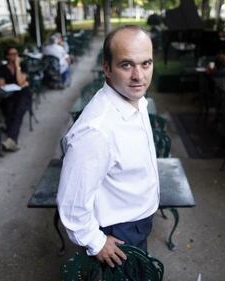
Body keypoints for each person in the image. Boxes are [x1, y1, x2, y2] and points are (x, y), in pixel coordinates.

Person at [57, 25, 159, 268]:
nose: (139, 76)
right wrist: (96, 241)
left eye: (146, 64)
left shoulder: (135, 99)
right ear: (107, 68)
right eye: (126, 65)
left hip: (136, 220)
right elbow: (71, 202)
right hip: (121, 231)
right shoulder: (96, 131)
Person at [0, 46, 32, 151]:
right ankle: (11, 138)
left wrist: (17, 66)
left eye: (16, 54)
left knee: (18, 110)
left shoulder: (23, 66)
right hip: (9, 95)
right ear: (7, 56)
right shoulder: (2, 69)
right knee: (8, 107)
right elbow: (1, 84)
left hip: (23, 94)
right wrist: (21, 84)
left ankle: (11, 139)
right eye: (11, 54)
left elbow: (20, 82)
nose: (14, 56)